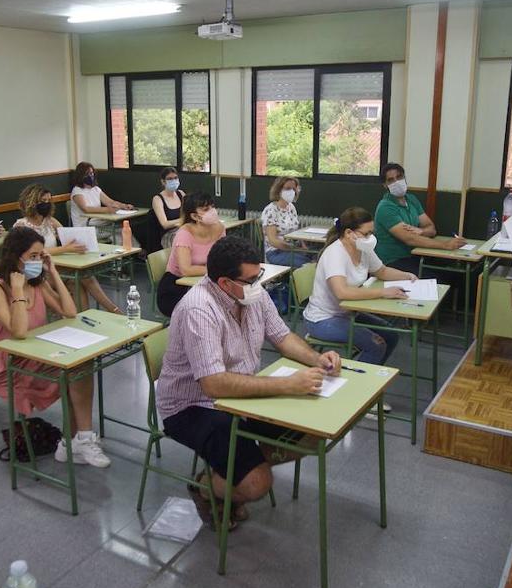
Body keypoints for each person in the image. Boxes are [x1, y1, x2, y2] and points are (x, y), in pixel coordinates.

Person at [156, 236, 342, 527]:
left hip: (238, 395)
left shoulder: (249, 293)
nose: (259, 284)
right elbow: (214, 385)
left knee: (312, 434)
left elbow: (282, 336)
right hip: (192, 406)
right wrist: (288, 385)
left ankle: (239, 467)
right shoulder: (199, 309)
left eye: (259, 276)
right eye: (251, 279)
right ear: (224, 283)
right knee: (256, 485)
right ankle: (206, 486)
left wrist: (316, 359)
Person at [0, 228, 110, 467]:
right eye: (33, 256)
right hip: (7, 363)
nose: (38, 261)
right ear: (14, 257)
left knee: (80, 365)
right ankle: (75, 442)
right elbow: (18, 332)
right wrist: (18, 289)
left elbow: (69, 312)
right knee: (73, 374)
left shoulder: (37, 284)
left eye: (42, 256)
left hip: (35, 350)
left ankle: (76, 441)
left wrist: (53, 272)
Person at [303, 207, 416, 365]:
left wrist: (408, 276)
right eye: (367, 233)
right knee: (376, 345)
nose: (371, 237)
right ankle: (358, 381)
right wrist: (383, 292)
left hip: (347, 313)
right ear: (349, 233)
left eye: (372, 233)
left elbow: (382, 271)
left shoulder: (363, 248)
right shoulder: (335, 254)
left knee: (391, 335)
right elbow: (342, 293)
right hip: (323, 319)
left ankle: (371, 376)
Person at [14, 184, 122, 315]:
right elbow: (37, 252)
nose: (46, 204)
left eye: (49, 201)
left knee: (80, 280)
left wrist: (80, 242)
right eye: (43, 201)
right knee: (83, 277)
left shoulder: (50, 221)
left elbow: (67, 235)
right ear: (31, 203)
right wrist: (65, 248)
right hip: (37, 272)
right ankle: (113, 310)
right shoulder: (21, 226)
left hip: (55, 266)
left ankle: (85, 319)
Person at [372, 163, 466, 275]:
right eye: (391, 180)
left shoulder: (411, 199)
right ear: (385, 185)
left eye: (399, 177)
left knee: (453, 273)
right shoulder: (385, 207)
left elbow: (431, 229)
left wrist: (421, 231)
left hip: (415, 255)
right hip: (393, 261)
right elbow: (409, 239)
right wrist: (446, 245)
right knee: (437, 278)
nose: (397, 182)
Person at [156, 192, 225, 317]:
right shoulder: (184, 233)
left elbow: (222, 257)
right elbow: (186, 270)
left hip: (205, 282)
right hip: (177, 287)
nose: (212, 211)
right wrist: (215, 270)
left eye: (212, 206)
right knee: (210, 311)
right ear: (194, 216)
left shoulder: (219, 228)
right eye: (206, 209)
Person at [259, 176, 309, 313]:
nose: (291, 192)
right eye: (287, 188)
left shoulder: (291, 207)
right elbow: (273, 240)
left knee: (313, 261)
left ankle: (301, 299)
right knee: (306, 265)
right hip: (275, 252)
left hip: (291, 249)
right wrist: (294, 248)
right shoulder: (270, 210)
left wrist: (303, 247)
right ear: (279, 190)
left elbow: (296, 231)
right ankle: (300, 301)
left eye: (294, 189)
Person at [66, 161, 134, 230]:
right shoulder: (77, 191)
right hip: (86, 226)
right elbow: (86, 209)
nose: (90, 176)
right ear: (80, 176)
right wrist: (107, 210)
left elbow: (110, 202)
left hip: (98, 222)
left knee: (123, 229)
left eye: (91, 173)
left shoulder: (96, 189)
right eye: (87, 174)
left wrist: (124, 206)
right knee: (118, 231)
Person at [145, 167, 185, 253]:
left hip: (182, 229)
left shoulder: (181, 194)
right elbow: (165, 224)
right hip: (168, 235)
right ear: (163, 182)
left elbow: (189, 211)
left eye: (175, 178)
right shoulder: (157, 199)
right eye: (170, 179)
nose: (173, 180)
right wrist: (182, 220)